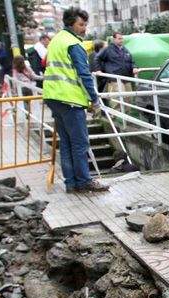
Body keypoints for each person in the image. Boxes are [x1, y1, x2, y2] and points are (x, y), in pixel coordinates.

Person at [43, 6, 109, 193]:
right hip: (69, 98)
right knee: (80, 142)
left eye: (85, 24)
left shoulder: (56, 41)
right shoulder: (74, 44)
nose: (84, 28)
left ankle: (70, 183)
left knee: (66, 143)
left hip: (53, 96)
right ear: (71, 23)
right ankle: (84, 181)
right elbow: (84, 75)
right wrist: (94, 99)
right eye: (81, 24)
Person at [97, 32, 138, 107]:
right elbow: (97, 58)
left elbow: (131, 60)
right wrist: (99, 69)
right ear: (114, 39)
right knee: (120, 98)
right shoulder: (108, 49)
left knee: (129, 99)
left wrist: (134, 67)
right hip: (115, 78)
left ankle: (126, 118)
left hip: (126, 77)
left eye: (122, 38)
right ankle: (116, 117)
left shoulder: (124, 49)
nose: (121, 40)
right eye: (119, 38)